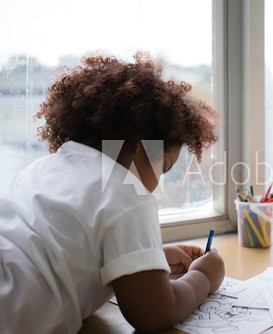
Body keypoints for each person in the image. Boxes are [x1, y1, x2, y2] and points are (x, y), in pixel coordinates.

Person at [0, 53, 225, 333]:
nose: (157, 182)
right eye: (163, 168)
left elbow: (62, 250)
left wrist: (146, 259)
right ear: (141, 145)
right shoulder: (126, 191)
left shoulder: (43, 169)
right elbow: (155, 313)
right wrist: (204, 276)